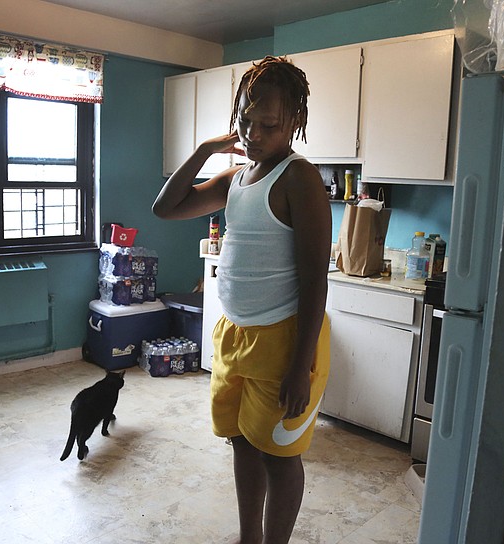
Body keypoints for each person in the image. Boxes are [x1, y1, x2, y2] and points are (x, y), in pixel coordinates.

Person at [152, 56, 331, 544]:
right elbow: (165, 208)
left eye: (268, 124)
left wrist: (302, 365)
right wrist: (206, 149)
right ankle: (248, 537)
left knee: (278, 453)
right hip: (235, 332)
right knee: (241, 442)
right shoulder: (235, 178)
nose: (254, 133)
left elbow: (317, 277)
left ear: (294, 121)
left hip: (284, 336)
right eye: (245, 121)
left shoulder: (299, 178)